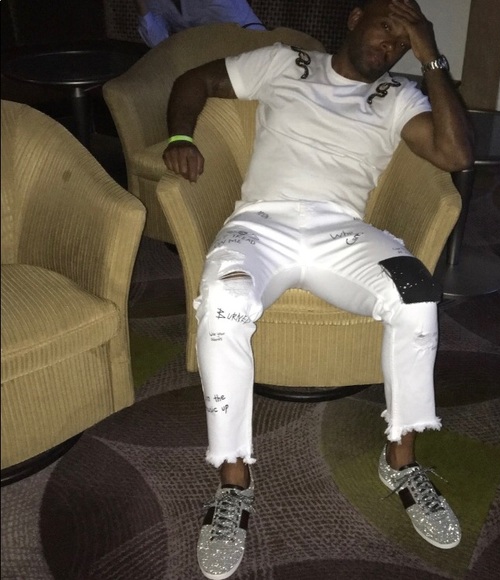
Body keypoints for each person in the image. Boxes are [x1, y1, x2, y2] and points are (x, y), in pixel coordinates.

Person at [163, 0, 474, 577]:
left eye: (404, 41)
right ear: (356, 18)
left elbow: (456, 154)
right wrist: (180, 133)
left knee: (416, 296)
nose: (391, 45)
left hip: (343, 232)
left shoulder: (398, 96)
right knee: (225, 305)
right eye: (386, 27)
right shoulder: (285, 63)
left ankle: (401, 461)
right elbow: (193, 80)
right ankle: (233, 480)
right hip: (261, 226)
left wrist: (431, 56)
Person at [133, 0, 265, 48]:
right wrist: (140, 4)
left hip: (249, 43)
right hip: (202, 53)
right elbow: (158, 42)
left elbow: (233, 31)